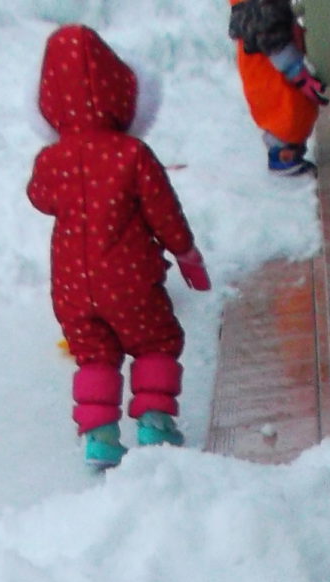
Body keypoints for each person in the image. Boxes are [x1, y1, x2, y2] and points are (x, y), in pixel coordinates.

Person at [26, 26, 209, 472]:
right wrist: (186, 254)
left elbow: (39, 197)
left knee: (94, 356)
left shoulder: (50, 161)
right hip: (130, 281)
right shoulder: (131, 154)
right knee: (155, 342)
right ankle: (155, 424)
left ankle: (100, 439)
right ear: (121, 91)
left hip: (73, 287)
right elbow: (164, 212)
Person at [226, 0, 327, 177]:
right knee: (288, 112)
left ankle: (285, 152)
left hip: (267, 69)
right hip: (272, 72)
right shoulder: (257, 9)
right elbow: (266, 29)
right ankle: (283, 158)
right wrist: (295, 70)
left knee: (289, 112)